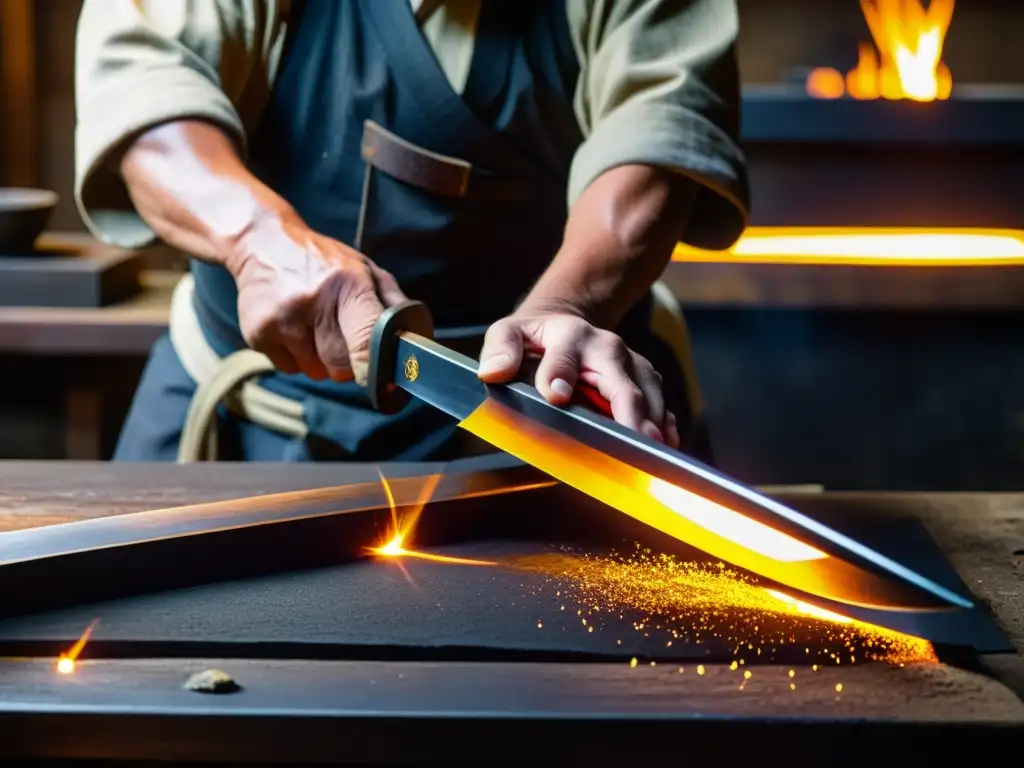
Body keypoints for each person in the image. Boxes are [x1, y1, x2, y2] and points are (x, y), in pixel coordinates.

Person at [74, 0, 748, 463]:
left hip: (558, 420)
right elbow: (147, 88)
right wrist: (258, 242)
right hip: (240, 412)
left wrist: (564, 309)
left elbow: (658, 135)